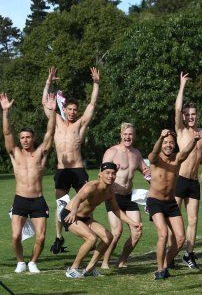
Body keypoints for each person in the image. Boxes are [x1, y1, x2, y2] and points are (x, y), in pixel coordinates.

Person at [42, 67, 100, 254]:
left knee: (86, 204)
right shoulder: (57, 121)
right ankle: (59, 238)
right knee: (60, 205)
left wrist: (96, 84)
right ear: (64, 109)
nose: (73, 112)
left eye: (75, 110)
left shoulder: (80, 125)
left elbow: (92, 105)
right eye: (70, 109)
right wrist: (48, 82)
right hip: (62, 170)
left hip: (78, 169)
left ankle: (89, 233)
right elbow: (44, 102)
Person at [2, 92, 56, 274]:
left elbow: (50, 133)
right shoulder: (15, 153)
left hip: (38, 201)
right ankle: (20, 261)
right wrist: (5, 112)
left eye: (28, 137)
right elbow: (7, 132)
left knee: (40, 237)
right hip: (20, 200)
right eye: (23, 137)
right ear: (20, 139)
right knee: (16, 236)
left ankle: (33, 262)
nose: (25, 140)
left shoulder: (41, 153)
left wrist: (52, 112)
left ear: (33, 138)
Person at [61, 162, 142, 278]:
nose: (110, 176)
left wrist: (133, 223)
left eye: (113, 174)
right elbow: (78, 198)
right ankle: (72, 269)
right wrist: (73, 212)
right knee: (91, 238)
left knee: (108, 237)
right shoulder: (91, 186)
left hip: (85, 218)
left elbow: (116, 210)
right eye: (107, 173)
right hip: (69, 215)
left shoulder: (110, 192)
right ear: (100, 175)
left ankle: (90, 268)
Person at [146, 129, 199, 279]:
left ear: (174, 144)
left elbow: (186, 152)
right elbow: (153, 153)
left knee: (181, 238)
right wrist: (160, 137)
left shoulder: (177, 159)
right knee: (163, 234)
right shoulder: (155, 159)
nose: (168, 145)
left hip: (170, 202)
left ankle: (165, 264)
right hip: (155, 202)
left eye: (171, 142)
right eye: (165, 142)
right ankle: (159, 270)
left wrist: (194, 140)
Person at [100, 123, 150, 269]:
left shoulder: (136, 154)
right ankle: (104, 262)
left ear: (133, 136)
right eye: (125, 134)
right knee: (117, 232)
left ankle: (121, 261)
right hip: (113, 196)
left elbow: (146, 172)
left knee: (137, 231)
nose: (128, 137)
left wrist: (153, 181)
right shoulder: (112, 152)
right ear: (121, 135)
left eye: (130, 134)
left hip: (129, 197)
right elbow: (102, 174)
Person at [174, 72, 202, 269]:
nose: (190, 117)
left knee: (193, 219)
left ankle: (189, 254)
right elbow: (177, 107)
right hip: (179, 179)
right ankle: (171, 251)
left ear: (197, 115)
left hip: (194, 182)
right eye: (187, 115)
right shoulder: (180, 130)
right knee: (174, 217)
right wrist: (182, 86)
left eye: (193, 114)